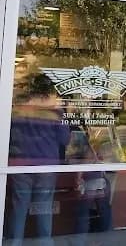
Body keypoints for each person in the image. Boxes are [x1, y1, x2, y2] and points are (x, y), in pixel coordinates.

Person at [6, 74, 71, 246]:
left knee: (19, 206)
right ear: (49, 90)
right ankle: (45, 242)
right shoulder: (56, 111)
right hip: (46, 164)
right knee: (43, 206)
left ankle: (15, 242)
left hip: (19, 163)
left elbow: (8, 134)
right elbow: (65, 139)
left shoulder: (18, 108)